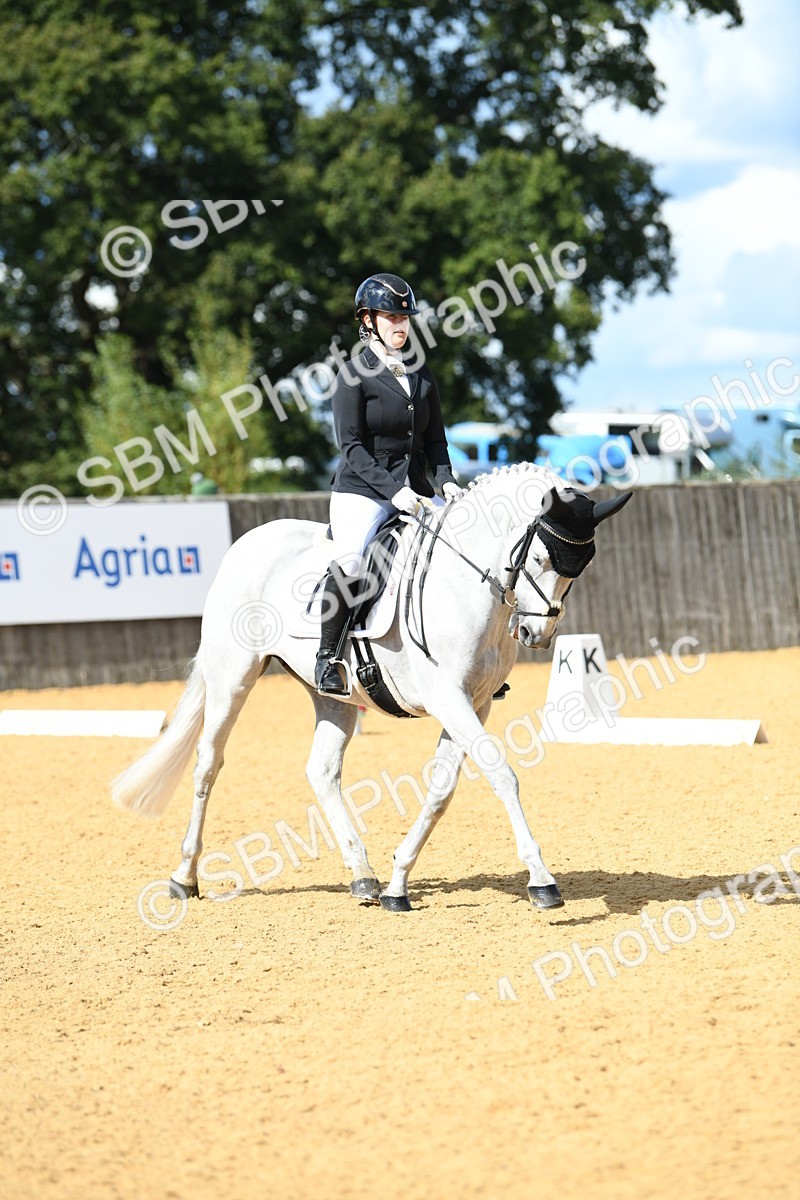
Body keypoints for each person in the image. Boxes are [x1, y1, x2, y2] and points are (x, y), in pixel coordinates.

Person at [315, 271, 461, 694]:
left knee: (457, 547)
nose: (401, 325)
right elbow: (351, 448)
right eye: (391, 317)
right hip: (362, 492)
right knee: (352, 562)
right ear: (368, 320)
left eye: (405, 318)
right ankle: (328, 658)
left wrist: (446, 481)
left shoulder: (421, 372)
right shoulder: (352, 374)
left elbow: (435, 441)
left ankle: (466, 656)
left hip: (416, 490)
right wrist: (394, 491)